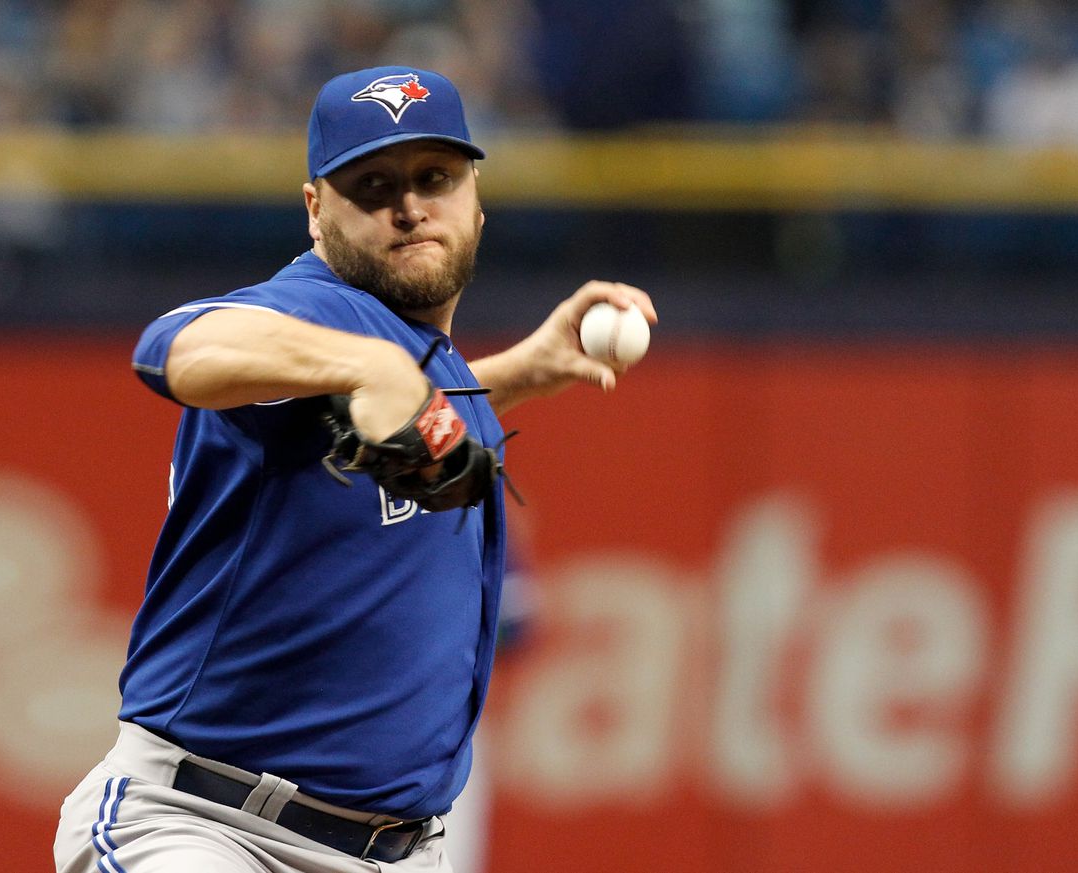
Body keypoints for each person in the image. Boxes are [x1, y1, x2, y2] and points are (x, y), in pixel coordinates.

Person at [54, 66, 655, 873]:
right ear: (315, 212)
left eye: (434, 179)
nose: (409, 207)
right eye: (371, 186)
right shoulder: (322, 309)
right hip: (209, 827)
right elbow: (175, 347)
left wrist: (506, 375)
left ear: (476, 198)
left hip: (399, 853)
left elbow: (388, 412)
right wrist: (367, 364)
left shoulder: (425, 369)